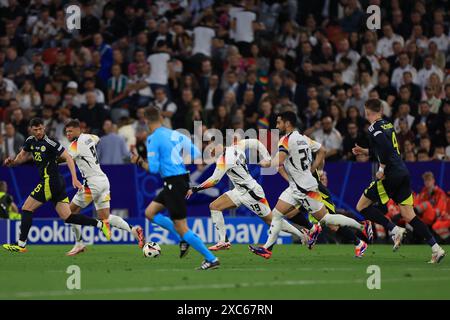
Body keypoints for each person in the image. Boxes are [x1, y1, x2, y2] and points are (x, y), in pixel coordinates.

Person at [249, 111, 372, 259]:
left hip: (304, 189)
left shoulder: (285, 140)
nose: (277, 125)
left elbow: (279, 160)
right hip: (296, 187)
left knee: (327, 220)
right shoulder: (304, 138)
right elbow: (322, 151)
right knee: (277, 214)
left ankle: (361, 226)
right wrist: (313, 169)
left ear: (287, 123)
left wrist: (266, 162)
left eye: (279, 122)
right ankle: (267, 249)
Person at [352, 99, 445, 263]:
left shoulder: (374, 127)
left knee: (362, 206)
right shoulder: (388, 125)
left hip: (391, 175)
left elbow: (386, 150)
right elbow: (386, 148)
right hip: (402, 172)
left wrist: (381, 170)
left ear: (368, 112)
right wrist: (365, 151)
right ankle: (436, 249)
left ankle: (394, 229)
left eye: (366, 113)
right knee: (409, 215)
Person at [2, 118, 111, 253]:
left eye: (40, 129)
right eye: (35, 130)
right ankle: (100, 224)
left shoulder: (51, 143)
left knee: (26, 208)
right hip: (57, 183)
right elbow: (22, 155)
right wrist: (13, 162)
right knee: (68, 217)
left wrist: (74, 179)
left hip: (50, 181)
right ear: (31, 129)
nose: (38, 132)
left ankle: (21, 244)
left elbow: (68, 157)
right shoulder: (30, 141)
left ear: (44, 128)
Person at [130, 107, 220, 270]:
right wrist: (176, 159)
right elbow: (196, 152)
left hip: (173, 183)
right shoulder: (175, 134)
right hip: (179, 180)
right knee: (150, 213)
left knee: (182, 226)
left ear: (145, 120)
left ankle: (211, 258)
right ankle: (183, 238)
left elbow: (154, 169)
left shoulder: (152, 139)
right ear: (161, 118)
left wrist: (138, 161)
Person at [186, 138, 308, 251]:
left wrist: (195, 189)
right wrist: (266, 157)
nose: (210, 151)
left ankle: (302, 234)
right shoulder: (237, 146)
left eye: (211, 147)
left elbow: (214, 180)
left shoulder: (224, 159)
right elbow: (255, 142)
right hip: (239, 191)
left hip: (251, 193)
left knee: (271, 220)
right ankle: (223, 241)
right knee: (214, 206)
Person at [64, 119, 144, 256]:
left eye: (71, 131)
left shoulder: (74, 145)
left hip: (92, 184)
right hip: (103, 180)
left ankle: (79, 244)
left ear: (78, 130)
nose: (68, 135)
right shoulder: (89, 137)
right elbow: (98, 138)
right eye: (66, 132)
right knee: (105, 216)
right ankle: (133, 230)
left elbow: (65, 158)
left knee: (68, 214)